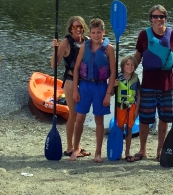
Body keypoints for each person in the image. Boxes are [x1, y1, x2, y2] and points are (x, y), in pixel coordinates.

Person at [133, 4, 173, 162]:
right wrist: (126, 71)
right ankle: (142, 150)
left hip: (166, 84)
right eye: (155, 16)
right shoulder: (143, 35)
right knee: (145, 119)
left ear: (165, 18)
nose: (158, 19)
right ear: (150, 19)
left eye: (161, 16)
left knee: (164, 118)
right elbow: (138, 56)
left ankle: (160, 150)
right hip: (148, 83)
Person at [70, 18, 116, 163]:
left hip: (101, 87)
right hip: (85, 86)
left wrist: (108, 93)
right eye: (93, 32)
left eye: (99, 32)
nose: (96, 35)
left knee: (99, 120)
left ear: (104, 32)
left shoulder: (109, 49)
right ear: (90, 32)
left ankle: (97, 152)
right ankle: (76, 148)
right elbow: (76, 68)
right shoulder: (85, 46)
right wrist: (75, 90)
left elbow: (113, 73)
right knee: (79, 118)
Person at [50, 16, 91, 158]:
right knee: (73, 115)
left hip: (84, 82)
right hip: (70, 82)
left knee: (81, 116)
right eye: (75, 27)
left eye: (80, 26)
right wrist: (55, 49)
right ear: (70, 28)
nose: (78, 29)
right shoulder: (66, 43)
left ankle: (77, 146)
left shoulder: (87, 41)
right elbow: (53, 65)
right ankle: (69, 148)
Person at [112, 55, 140, 162]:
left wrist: (137, 109)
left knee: (129, 129)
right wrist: (114, 85)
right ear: (123, 66)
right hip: (120, 107)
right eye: (127, 64)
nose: (130, 66)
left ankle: (127, 152)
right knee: (119, 129)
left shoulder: (136, 78)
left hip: (131, 107)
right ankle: (118, 150)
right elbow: (111, 94)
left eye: (132, 65)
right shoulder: (117, 77)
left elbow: (138, 95)